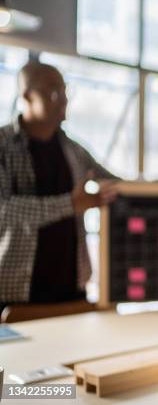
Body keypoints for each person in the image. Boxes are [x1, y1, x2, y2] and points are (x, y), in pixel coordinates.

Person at [0, 61, 117, 307]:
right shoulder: (3, 144)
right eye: (53, 91)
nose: (63, 100)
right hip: (15, 291)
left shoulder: (73, 149)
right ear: (26, 97)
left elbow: (117, 184)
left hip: (71, 286)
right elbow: (3, 210)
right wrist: (70, 204)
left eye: (65, 91)